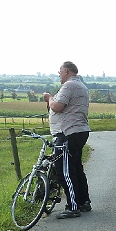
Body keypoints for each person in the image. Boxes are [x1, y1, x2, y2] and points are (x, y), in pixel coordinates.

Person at [43, 61, 91, 219]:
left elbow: (57, 107)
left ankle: (73, 206)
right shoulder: (81, 85)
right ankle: (83, 201)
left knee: (65, 171)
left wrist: (49, 98)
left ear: (66, 71)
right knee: (76, 168)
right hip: (79, 130)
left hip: (67, 132)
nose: (59, 74)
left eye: (60, 71)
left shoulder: (69, 86)